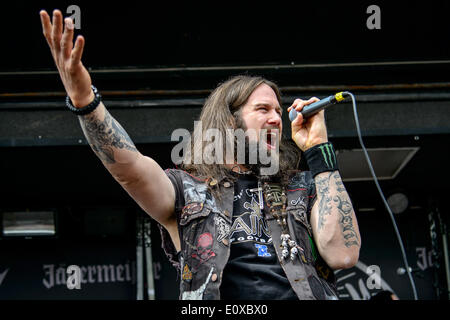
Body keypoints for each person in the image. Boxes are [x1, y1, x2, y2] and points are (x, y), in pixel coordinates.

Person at [39, 9, 361, 300]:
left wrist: (319, 151)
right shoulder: (187, 190)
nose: (277, 119)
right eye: (263, 109)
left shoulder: (303, 187)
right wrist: (85, 101)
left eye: (278, 110)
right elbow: (130, 167)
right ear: (229, 121)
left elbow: (343, 255)